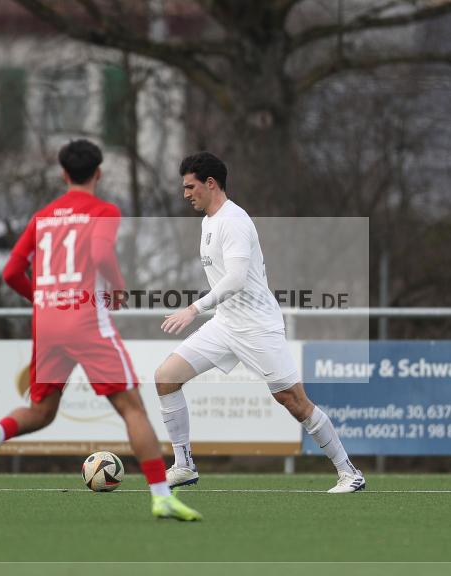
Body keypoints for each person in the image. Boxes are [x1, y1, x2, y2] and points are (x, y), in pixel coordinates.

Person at [0, 139, 202, 521]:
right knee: (132, 409)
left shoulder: (43, 216)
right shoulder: (103, 210)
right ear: (99, 173)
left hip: (47, 324)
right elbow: (99, 255)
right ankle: (161, 496)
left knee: (42, 411)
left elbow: (10, 272)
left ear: (63, 174)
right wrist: (118, 285)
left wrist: (41, 299)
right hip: (85, 319)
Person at [155, 151, 366, 493]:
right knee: (166, 378)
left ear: (211, 184)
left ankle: (349, 472)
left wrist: (193, 309)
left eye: (190, 186)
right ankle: (184, 466)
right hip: (225, 324)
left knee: (293, 401)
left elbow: (237, 278)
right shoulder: (208, 221)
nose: (186, 194)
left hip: (257, 325)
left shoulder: (233, 221)